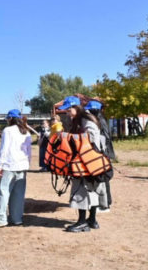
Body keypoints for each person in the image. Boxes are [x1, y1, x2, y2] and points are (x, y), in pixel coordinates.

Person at [59, 96, 108, 232]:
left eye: (68, 110)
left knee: (81, 190)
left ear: (75, 107)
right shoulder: (82, 119)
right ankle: (92, 220)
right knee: (92, 190)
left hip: (87, 162)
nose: (67, 113)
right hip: (92, 161)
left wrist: (66, 137)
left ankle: (82, 222)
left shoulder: (85, 120)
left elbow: (90, 138)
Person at [0, 109, 31, 228]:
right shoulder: (26, 132)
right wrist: (27, 164)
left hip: (9, 165)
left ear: (10, 118)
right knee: (19, 194)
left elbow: (4, 149)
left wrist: (0, 165)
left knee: (3, 192)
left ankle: (0, 219)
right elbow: (29, 151)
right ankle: (17, 218)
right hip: (22, 166)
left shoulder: (7, 130)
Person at [85, 100, 115, 213]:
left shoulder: (99, 120)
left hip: (103, 152)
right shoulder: (99, 119)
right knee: (101, 179)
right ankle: (103, 203)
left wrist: (102, 152)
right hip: (103, 152)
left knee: (103, 179)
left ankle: (105, 205)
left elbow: (105, 138)